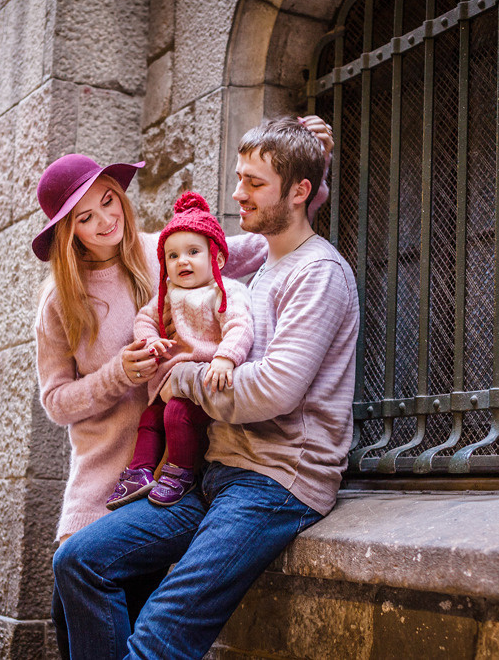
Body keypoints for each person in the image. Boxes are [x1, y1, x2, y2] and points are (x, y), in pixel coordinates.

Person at [51, 116, 359, 660]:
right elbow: (275, 218)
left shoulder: (314, 272)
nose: (235, 192)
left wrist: (178, 378)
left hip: (273, 480)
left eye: (252, 182)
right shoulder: (257, 268)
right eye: (84, 217)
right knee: (77, 562)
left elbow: (275, 388)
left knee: (156, 639)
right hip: (203, 468)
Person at [105, 192, 254, 510]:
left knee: (176, 415)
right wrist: (150, 342)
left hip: (205, 382)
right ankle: (140, 472)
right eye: (172, 256)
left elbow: (239, 327)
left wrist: (226, 358)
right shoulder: (167, 295)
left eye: (193, 252)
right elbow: (144, 321)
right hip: (170, 383)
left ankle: (182, 472)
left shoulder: (224, 292)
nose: (182, 261)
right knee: (150, 419)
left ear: (217, 258)